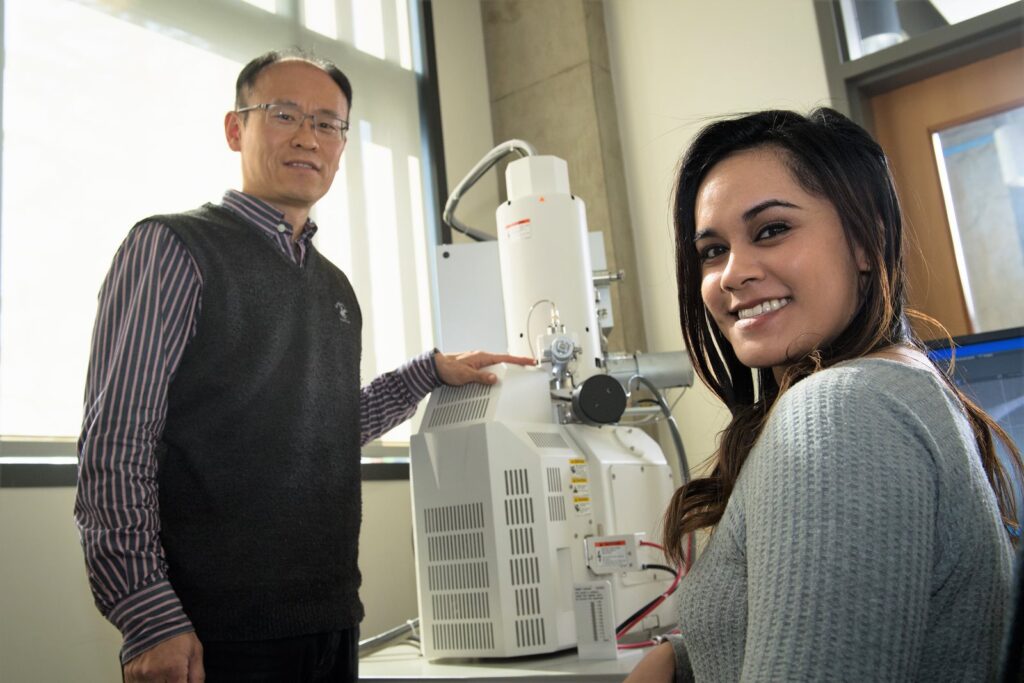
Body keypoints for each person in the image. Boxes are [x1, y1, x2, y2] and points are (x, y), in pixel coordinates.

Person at [75, 49, 533, 683]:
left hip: (328, 620)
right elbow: (117, 443)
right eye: (284, 113)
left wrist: (428, 373)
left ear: (343, 146)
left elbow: (323, 431)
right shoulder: (172, 248)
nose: (307, 137)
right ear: (236, 128)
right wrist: (147, 614)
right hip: (210, 630)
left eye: (328, 123)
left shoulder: (336, 287)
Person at [625, 108, 1023, 682]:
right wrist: (679, 662)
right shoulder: (889, 389)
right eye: (712, 251)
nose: (733, 274)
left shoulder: (843, 409)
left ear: (867, 242)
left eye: (771, 230)